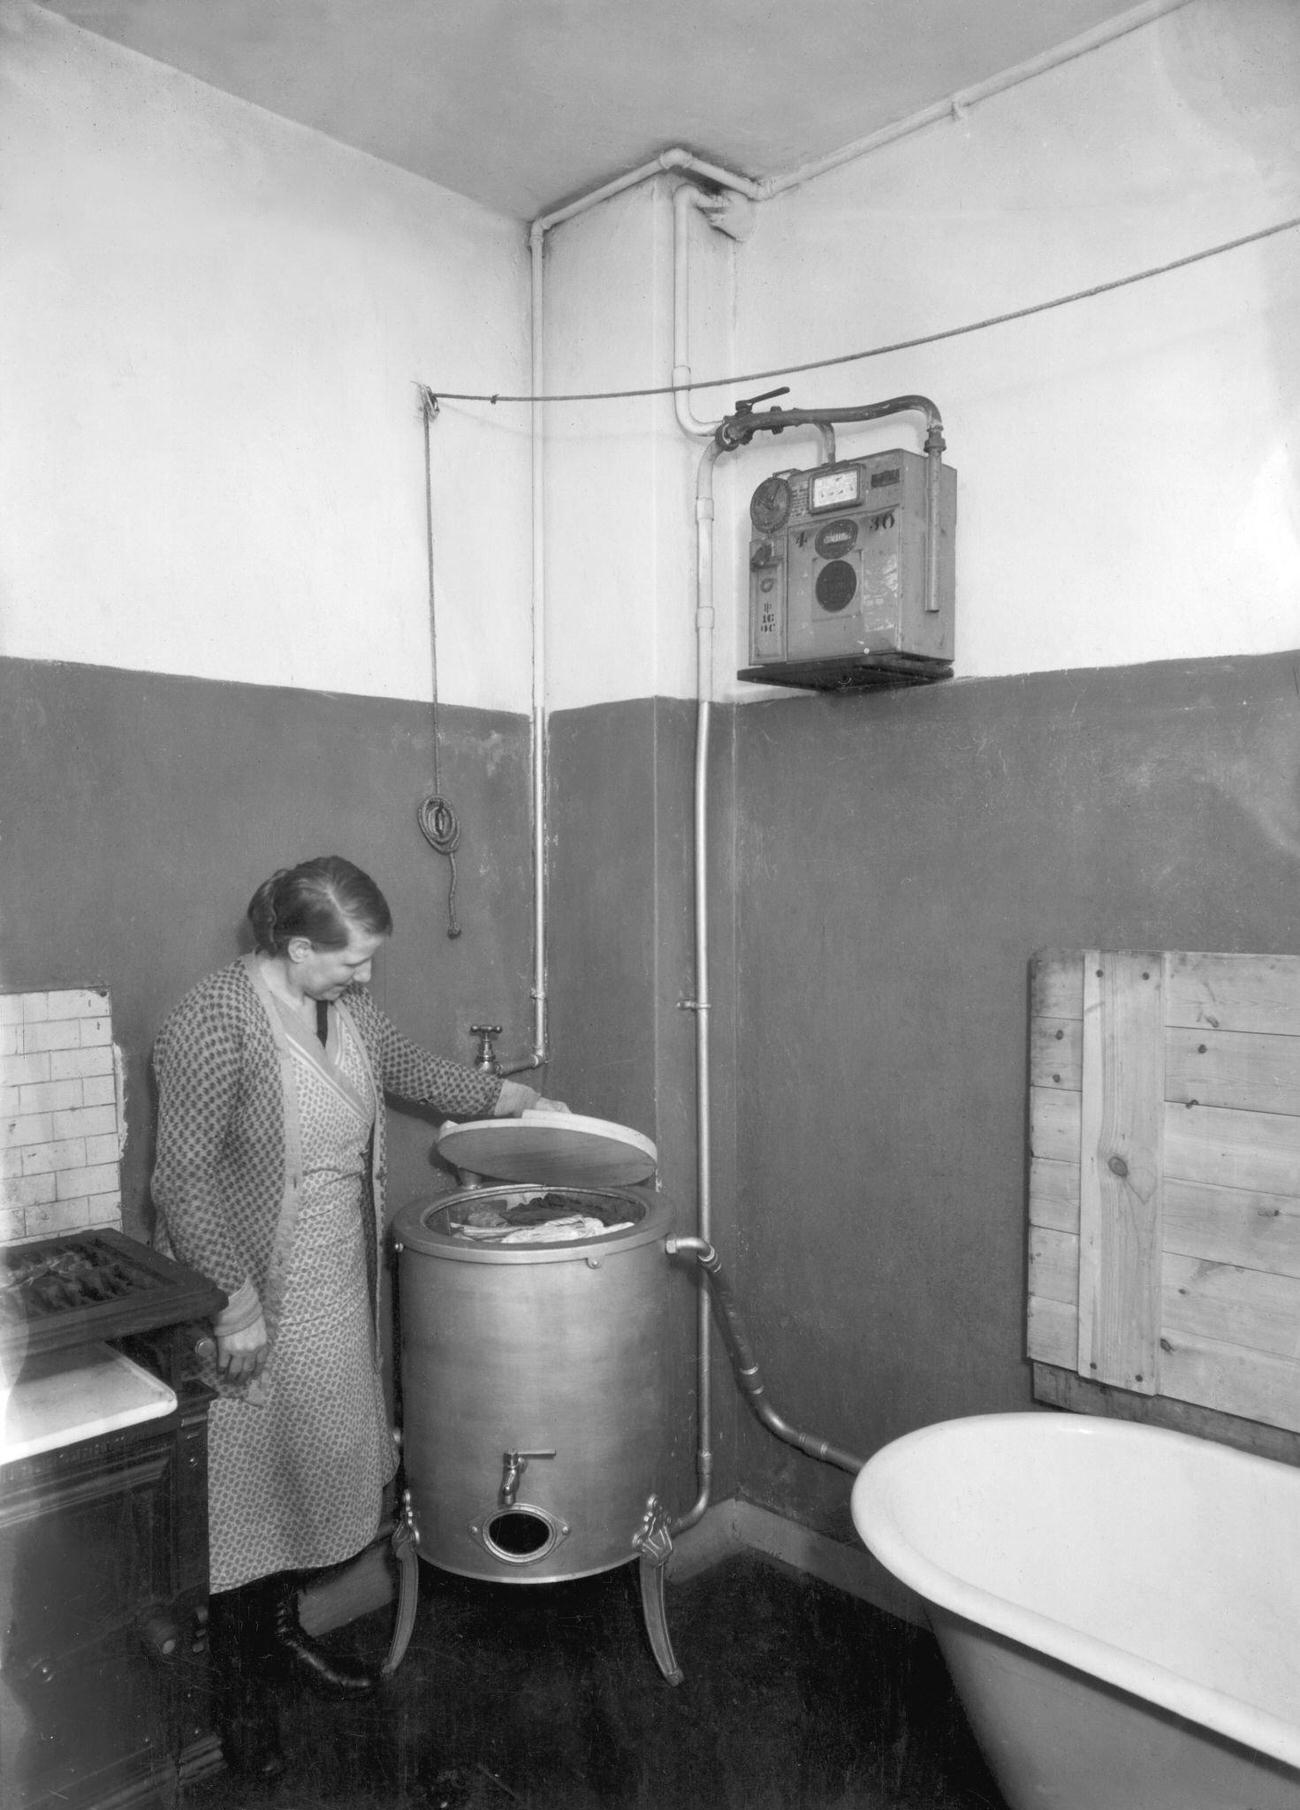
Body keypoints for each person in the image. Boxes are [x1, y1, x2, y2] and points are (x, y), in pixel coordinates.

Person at [151, 855, 563, 1779]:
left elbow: (410, 1068)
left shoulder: (343, 1009)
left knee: (313, 1466)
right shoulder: (211, 1020)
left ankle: (286, 1637)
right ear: (297, 948)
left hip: (333, 1280)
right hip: (249, 1289)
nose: (365, 976)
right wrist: (238, 1302)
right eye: (350, 961)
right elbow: (182, 1179)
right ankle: (240, 1705)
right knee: (246, 1500)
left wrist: (513, 1100)